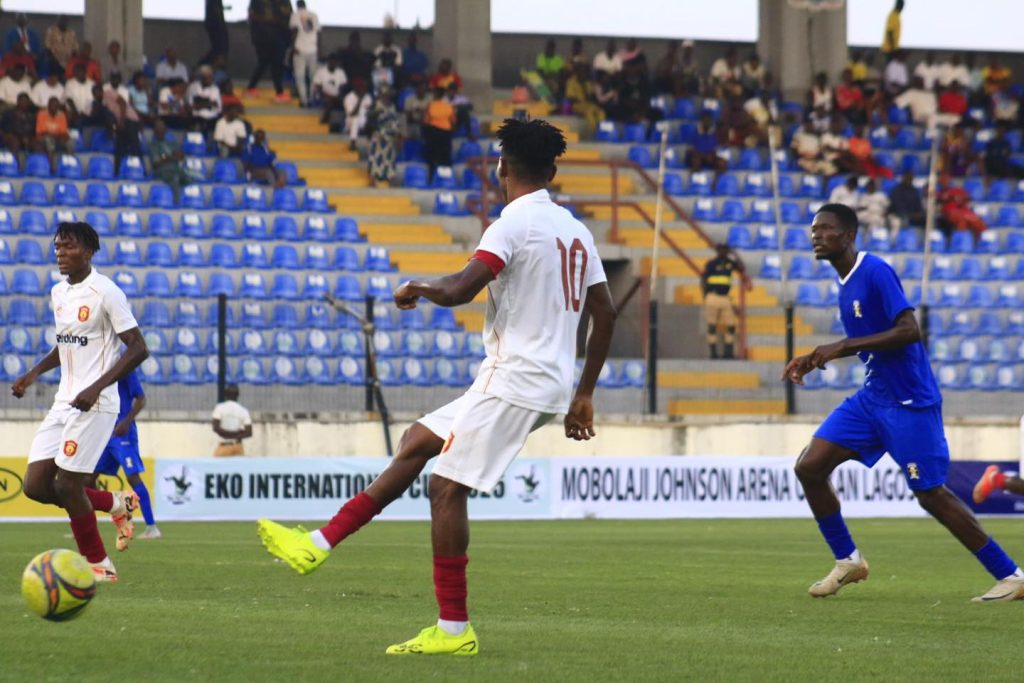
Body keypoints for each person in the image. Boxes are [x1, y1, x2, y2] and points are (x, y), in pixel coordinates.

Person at [257, 117, 617, 655]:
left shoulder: (512, 224)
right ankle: (317, 543)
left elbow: (460, 290)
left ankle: (453, 629)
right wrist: (583, 392)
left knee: (446, 487)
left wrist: (417, 286)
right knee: (417, 442)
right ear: (551, 171)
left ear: (503, 167)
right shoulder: (577, 231)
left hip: (515, 377)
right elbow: (605, 313)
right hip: (542, 379)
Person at [785, 202, 1024, 603]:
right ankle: (848, 560)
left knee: (931, 494)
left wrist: (840, 346)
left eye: (825, 229)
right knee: (809, 466)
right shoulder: (844, 283)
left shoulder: (874, 271)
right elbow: (867, 344)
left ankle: (1011, 575)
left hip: (909, 401)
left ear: (848, 235)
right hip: (873, 397)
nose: (816, 236)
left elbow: (909, 330)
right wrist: (815, 357)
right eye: (813, 230)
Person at [11, 221, 149, 583]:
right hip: (64, 402)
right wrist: (32, 373)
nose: (61, 253)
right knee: (35, 486)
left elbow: (138, 347)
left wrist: (97, 387)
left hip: (96, 404)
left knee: (67, 484)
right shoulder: (59, 292)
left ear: (88, 252)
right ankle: (116, 503)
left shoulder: (106, 292)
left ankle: (99, 564)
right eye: (58, 247)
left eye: (69, 247)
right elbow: (67, 344)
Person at [89, 370, 160, 542]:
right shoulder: (98, 369)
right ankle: (89, 527)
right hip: (105, 432)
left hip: (123, 434)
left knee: (133, 477)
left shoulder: (125, 370)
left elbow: (141, 399)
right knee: (87, 477)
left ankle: (152, 528)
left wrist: (126, 422)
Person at [701, 244, 745, 360]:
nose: (723, 253)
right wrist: (705, 295)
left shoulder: (729, 263)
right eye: (721, 250)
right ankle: (713, 352)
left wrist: (735, 255)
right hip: (713, 296)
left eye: (725, 250)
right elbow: (704, 279)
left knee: (731, 325)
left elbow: (741, 268)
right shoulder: (712, 263)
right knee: (712, 326)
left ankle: (728, 352)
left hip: (725, 297)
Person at [246, 0, 289, 102]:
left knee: (274, 64)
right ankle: (278, 92)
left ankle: (277, 92)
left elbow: (287, 16)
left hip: (278, 37)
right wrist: (267, 19)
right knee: (266, 62)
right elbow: (251, 15)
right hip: (262, 37)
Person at [149, 119, 191, 203]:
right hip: (162, 171)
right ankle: (177, 204)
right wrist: (171, 157)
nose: (161, 132)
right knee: (175, 179)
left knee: (188, 179)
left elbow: (181, 156)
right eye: (158, 130)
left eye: (162, 130)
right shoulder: (153, 146)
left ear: (165, 131)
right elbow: (156, 163)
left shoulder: (171, 144)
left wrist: (167, 157)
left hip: (175, 169)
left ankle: (188, 202)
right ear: (155, 132)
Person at [366, 88, 401, 188]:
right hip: (377, 135)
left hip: (390, 136)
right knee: (374, 157)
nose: (386, 97)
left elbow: (396, 122)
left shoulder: (393, 107)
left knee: (390, 158)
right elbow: (370, 121)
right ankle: (372, 180)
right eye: (384, 95)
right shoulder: (375, 105)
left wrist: (397, 135)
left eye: (388, 95)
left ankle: (391, 178)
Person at [290, 0, 320, 108]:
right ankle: (311, 99)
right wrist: (319, 49)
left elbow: (294, 31)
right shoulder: (314, 15)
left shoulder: (295, 15)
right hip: (313, 49)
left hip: (300, 49)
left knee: (300, 77)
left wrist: (293, 47)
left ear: (297, 6)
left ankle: (304, 100)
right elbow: (318, 33)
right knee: (313, 77)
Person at [422, 85, 454, 179]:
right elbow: (453, 121)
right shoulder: (448, 106)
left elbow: (425, 120)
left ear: (435, 94)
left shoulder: (430, 105)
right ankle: (446, 178)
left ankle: (431, 178)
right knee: (445, 157)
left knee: (432, 157)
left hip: (433, 132)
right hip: (445, 133)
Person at [212, 385, 252, 456]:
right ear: (238, 395)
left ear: (225, 395)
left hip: (224, 446)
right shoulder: (243, 410)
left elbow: (215, 427)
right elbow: (249, 432)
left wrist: (227, 435)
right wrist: (236, 435)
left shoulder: (219, 408)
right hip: (238, 446)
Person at [36, 96, 72, 173]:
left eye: (56, 105)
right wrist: (55, 135)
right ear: (48, 105)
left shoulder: (61, 115)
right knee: (49, 141)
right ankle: (51, 167)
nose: (54, 107)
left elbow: (63, 131)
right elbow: (42, 131)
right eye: (52, 105)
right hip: (43, 137)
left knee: (70, 143)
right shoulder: (42, 114)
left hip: (57, 137)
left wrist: (62, 137)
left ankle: (69, 166)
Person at [312, 53, 347, 126]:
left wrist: (339, 95)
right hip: (323, 96)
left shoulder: (340, 72)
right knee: (329, 101)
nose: (333, 63)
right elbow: (318, 86)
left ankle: (344, 125)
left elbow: (343, 86)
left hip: (336, 97)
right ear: (328, 61)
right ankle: (324, 121)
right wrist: (326, 95)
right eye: (332, 61)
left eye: (335, 62)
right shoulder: (321, 71)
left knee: (347, 103)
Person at [187, 65, 223, 134]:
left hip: (211, 119)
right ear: (202, 77)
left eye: (211, 77)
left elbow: (215, 105)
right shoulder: (193, 86)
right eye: (208, 77)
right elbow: (191, 105)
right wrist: (207, 103)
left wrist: (199, 104)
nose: (210, 80)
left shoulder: (215, 89)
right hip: (196, 118)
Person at [342, 78, 373, 151]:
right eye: (360, 86)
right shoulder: (349, 97)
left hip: (364, 120)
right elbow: (352, 113)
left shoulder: (367, 96)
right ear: (355, 87)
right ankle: (353, 143)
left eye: (363, 86)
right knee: (355, 119)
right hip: (350, 122)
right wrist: (360, 99)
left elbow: (371, 109)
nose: (362, 88)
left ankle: (371, 145)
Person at [3, 93, 37, 158]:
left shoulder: (31, 115)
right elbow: (6, 130)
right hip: (13, 136)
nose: (24, 103)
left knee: (37, 145)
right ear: (18, 101)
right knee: (15, 142)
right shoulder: (9, 113)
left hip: (28, 137)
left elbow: (33, 129)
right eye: (22, 101)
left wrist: (28, 137)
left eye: (26, 101)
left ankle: (37, 163)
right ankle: (15, 162)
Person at [202, 0, 230, 67]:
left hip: (215, 24)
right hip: (215, 24)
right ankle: (203, 64)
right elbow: (215, 8)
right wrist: (225, 8)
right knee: (218, 48)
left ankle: (211, 65)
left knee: (218, 48)